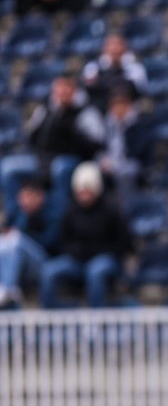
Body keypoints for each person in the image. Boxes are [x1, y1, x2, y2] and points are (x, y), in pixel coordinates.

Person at [0, 75, 104, 216]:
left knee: (59, 168)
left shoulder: (86, 112)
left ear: (74, 90)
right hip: (43, 159)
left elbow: (96, 145)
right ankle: (15, 217)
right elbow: (31, 138)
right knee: (8, 167)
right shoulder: (45, 110)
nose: (62, 91)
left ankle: (58, 217)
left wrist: (72, 131)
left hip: (73, 160)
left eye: (66, 87)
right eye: (59, 87)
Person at [39, 162, 131, 309]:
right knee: (50, 271)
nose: (84, 196)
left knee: (95, 271)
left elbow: (124, 242)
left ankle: (95, 320)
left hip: (105, 259)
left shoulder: (111, 210)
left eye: (87, 191)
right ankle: (50, 318)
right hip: (77, 260)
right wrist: (76, 252)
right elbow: (64, 241)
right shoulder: (70, 210)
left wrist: (99, 251)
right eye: (81, 192)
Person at [0, 175, 61, 309]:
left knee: (16, 240)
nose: (24, 201)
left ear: (40, 196)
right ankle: (6, 287)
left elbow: (51, 243)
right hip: (21, 264)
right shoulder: (18, 214)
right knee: (6, 242)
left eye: (28, 196)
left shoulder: (52, 214)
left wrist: (24, 235)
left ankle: (9, 287)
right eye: (22, 196)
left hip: (46, 263)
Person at [97, 84, 154, 194]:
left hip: (133, 163)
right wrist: (105, 159)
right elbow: (102, 145)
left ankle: (127, 207)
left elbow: (137, 152)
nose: (118, 108)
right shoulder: (108, 123)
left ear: (129, 105)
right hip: (111, 161)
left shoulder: (139, 123)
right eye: (115, 105)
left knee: (126, 172)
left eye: (122, 104)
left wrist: (115, 164)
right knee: (90, 171)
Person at [82, 33, 147, 113]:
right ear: (104, 48)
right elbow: (88, 90)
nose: (114, 48)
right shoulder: (93, 66)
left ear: (125, 47)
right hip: (101, 110)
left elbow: (139, 92)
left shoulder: (136, 68)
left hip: (128, 110)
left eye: (118, 45)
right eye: (111, 45)